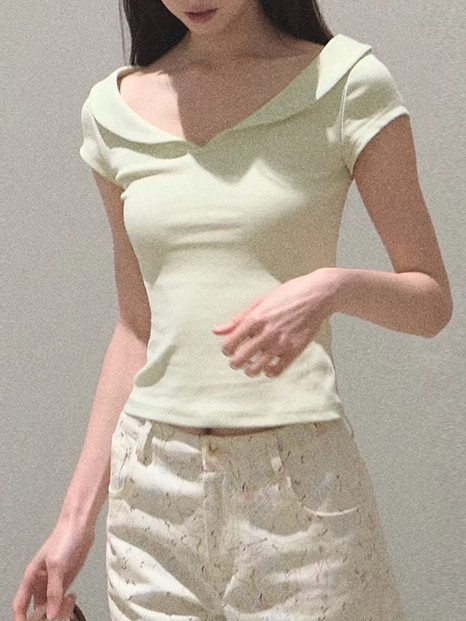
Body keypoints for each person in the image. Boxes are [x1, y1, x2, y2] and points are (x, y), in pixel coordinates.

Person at [13, 1, 453, 620]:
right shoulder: (112, 111)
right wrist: (74, 520)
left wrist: (330, 288)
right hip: (151, 498)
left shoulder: (345, 83)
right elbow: (137, 327)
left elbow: (430, 301)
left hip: (299, 497)